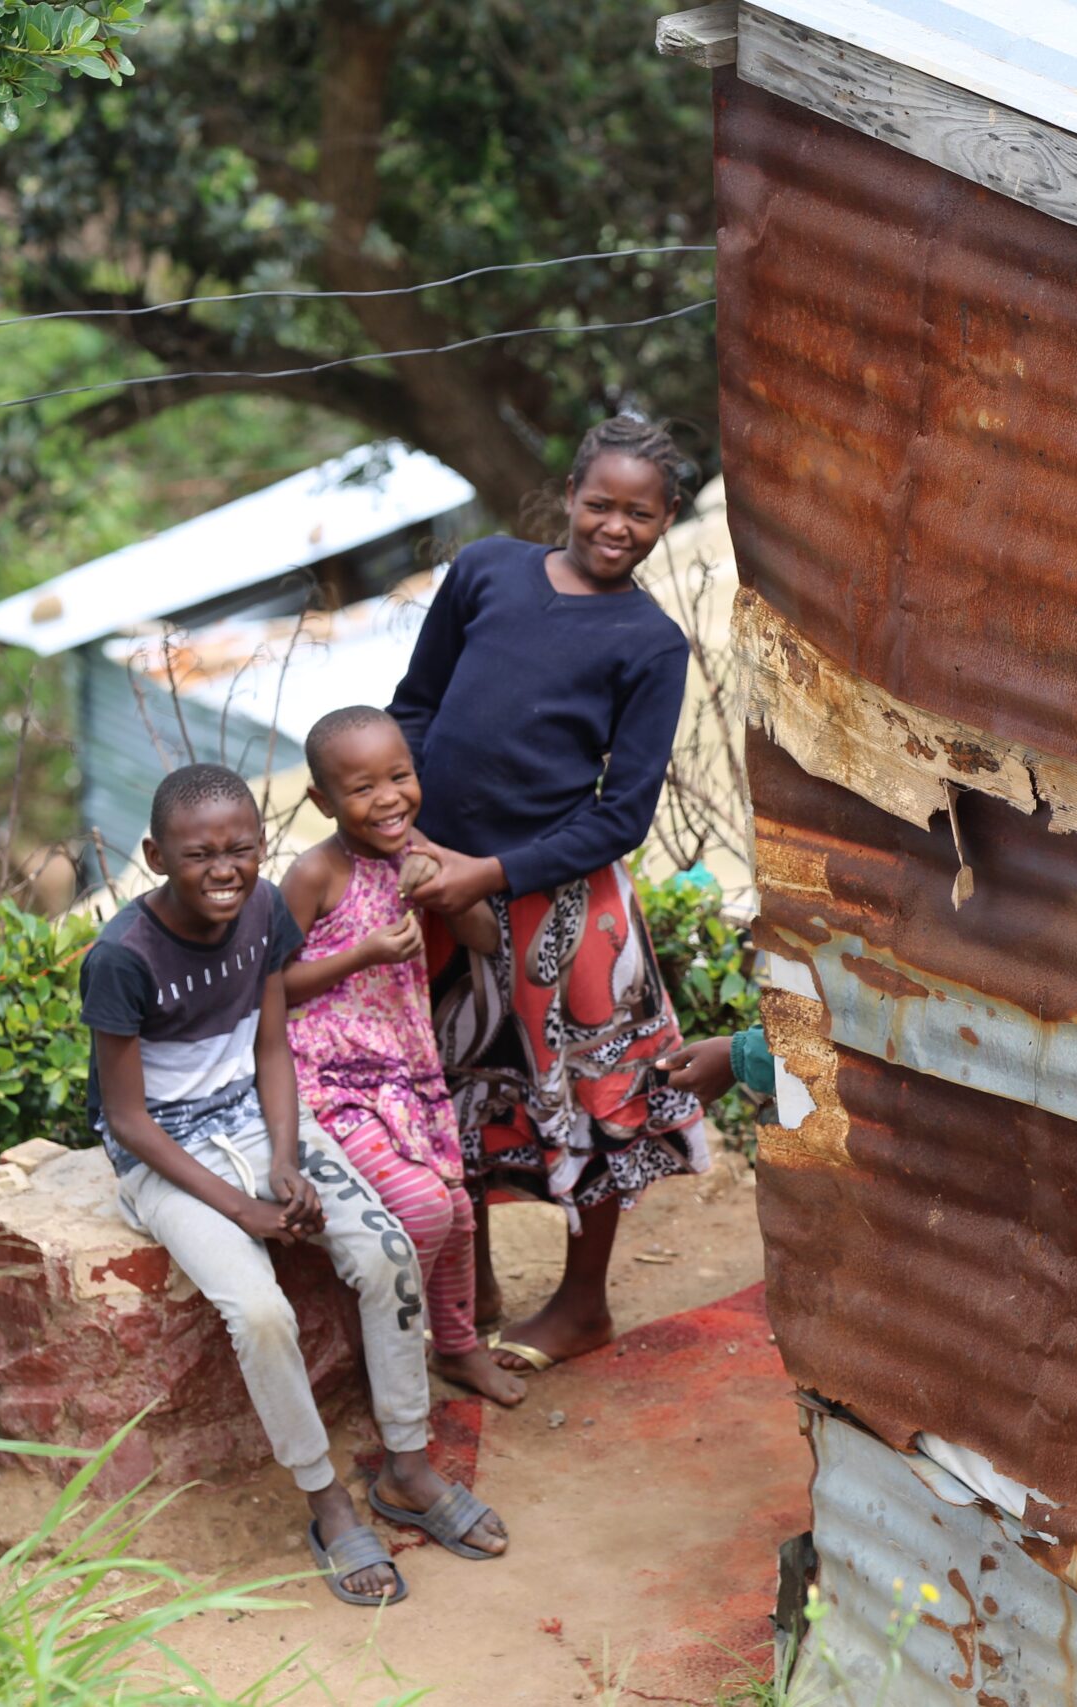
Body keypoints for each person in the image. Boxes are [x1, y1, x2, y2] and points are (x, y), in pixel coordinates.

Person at [82, 763, 509, 1605]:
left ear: (262, 845)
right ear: (155, 854)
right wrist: (242, 1206)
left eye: (241, 848)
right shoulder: (121, 958)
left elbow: (272, 1046)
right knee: (261, 1309)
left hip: (259, 1119)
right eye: (199, 853)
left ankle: (409, 1468)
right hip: (165, 1151)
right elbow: (127, 1120)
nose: (224, 869)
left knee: (387, 1252)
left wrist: (285, 1157)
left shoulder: (266, 911)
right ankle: (326, 1499)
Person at [391, 416, 709, 1375]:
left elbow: (623, 814)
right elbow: (415, 703)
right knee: (457, 1084)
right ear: (568, 493)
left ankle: (581, 1303)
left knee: (600, 1094)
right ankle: (474, 1285)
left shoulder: (651, 644)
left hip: (564, 912)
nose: (617, 526)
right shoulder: (486, 569)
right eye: (601, 504)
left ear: (667, 521)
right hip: (434, 882)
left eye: (640, 515)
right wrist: (408, 839)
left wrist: (490, 873)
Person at [280, 706, 526, 1409]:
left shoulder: (418, 849)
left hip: (408, 1074)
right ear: (323, 800)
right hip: (331, 1083)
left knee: (457, 1209)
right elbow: (268, 984)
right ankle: (377, 1343)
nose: (387, 797)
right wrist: (361, 953)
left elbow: (482, 936)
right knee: (422, 1210)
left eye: (399, 776)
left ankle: (455, 1348)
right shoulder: (313, 874)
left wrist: (443, 889)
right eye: (361, 787)